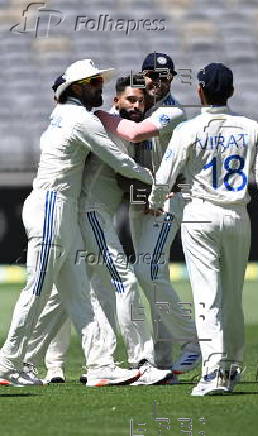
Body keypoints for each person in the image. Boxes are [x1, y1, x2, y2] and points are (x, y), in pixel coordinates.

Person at [0, 59, 153, 387]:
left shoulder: (62, 114)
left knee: (78, 293)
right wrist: (156, 179)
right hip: (51, 207)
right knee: (38, 289)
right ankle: (7, 363)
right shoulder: (79, 119)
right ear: (78, 88)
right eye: (95, 83)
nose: (101, 87)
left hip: (61, 209)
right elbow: (119, 161)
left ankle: (100, 365)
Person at [147, 62, 258, 396]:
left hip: (200, 215)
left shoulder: (188, 129)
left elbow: (166, 175)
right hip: (238, 216)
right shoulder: (251, 127)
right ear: (232, 91)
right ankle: (231, 369)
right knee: (232, 299)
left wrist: (155, 199)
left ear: (200, 91)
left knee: (207, 298)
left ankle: (212, 375)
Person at [96, 53, 201, 372]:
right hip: (141, 201)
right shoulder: (138, 103)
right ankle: (163, 360)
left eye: (165, 77)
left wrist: (99, 115)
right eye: (152, 75)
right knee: (155, 276)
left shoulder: (173, 110)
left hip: (166, 200)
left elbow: (136, 134)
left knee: (147, 273)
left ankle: (194, 342)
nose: (157, 81)